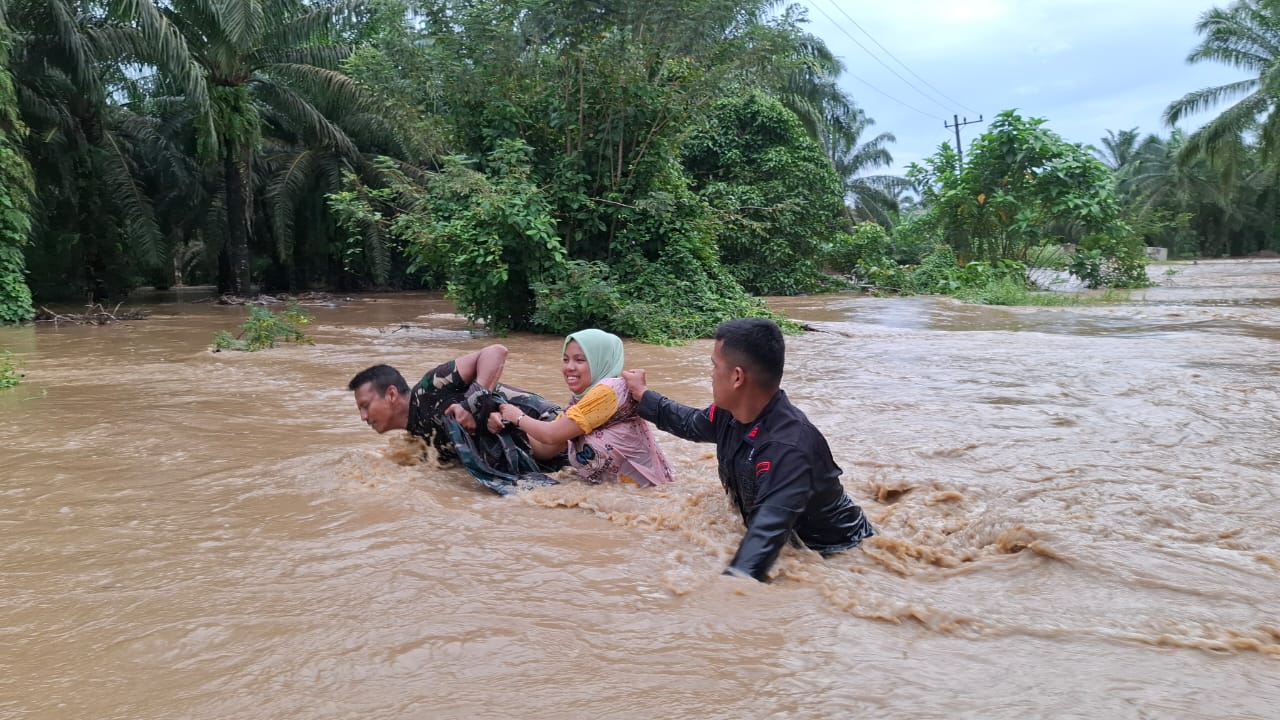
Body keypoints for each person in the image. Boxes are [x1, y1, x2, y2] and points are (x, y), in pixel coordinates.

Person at [622, 318, 873, 581]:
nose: (711, 373)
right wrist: (643, 394)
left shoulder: (788, 449)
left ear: (737, 377)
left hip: (838, 557)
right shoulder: (728, 413)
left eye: (714, 366)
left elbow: (762, 543)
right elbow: (690, 423)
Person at [349, 344, 565, 495]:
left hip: (555, 429)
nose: (363, 417)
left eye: (365, 406)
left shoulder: (429, 389)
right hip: (549, 462)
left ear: (392, 394)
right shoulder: (419, 437)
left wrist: (472, 403)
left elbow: (495, 352)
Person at [493, 329, 675, 487]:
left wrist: (517, 416)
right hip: (616, 494)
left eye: (579, 360)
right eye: (566, 360)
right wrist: (507, 423)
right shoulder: (580, 403)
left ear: (600, 361)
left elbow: (550, 434)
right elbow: (546, 448)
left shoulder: (609, 391)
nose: (569, 367)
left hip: (646, 494)